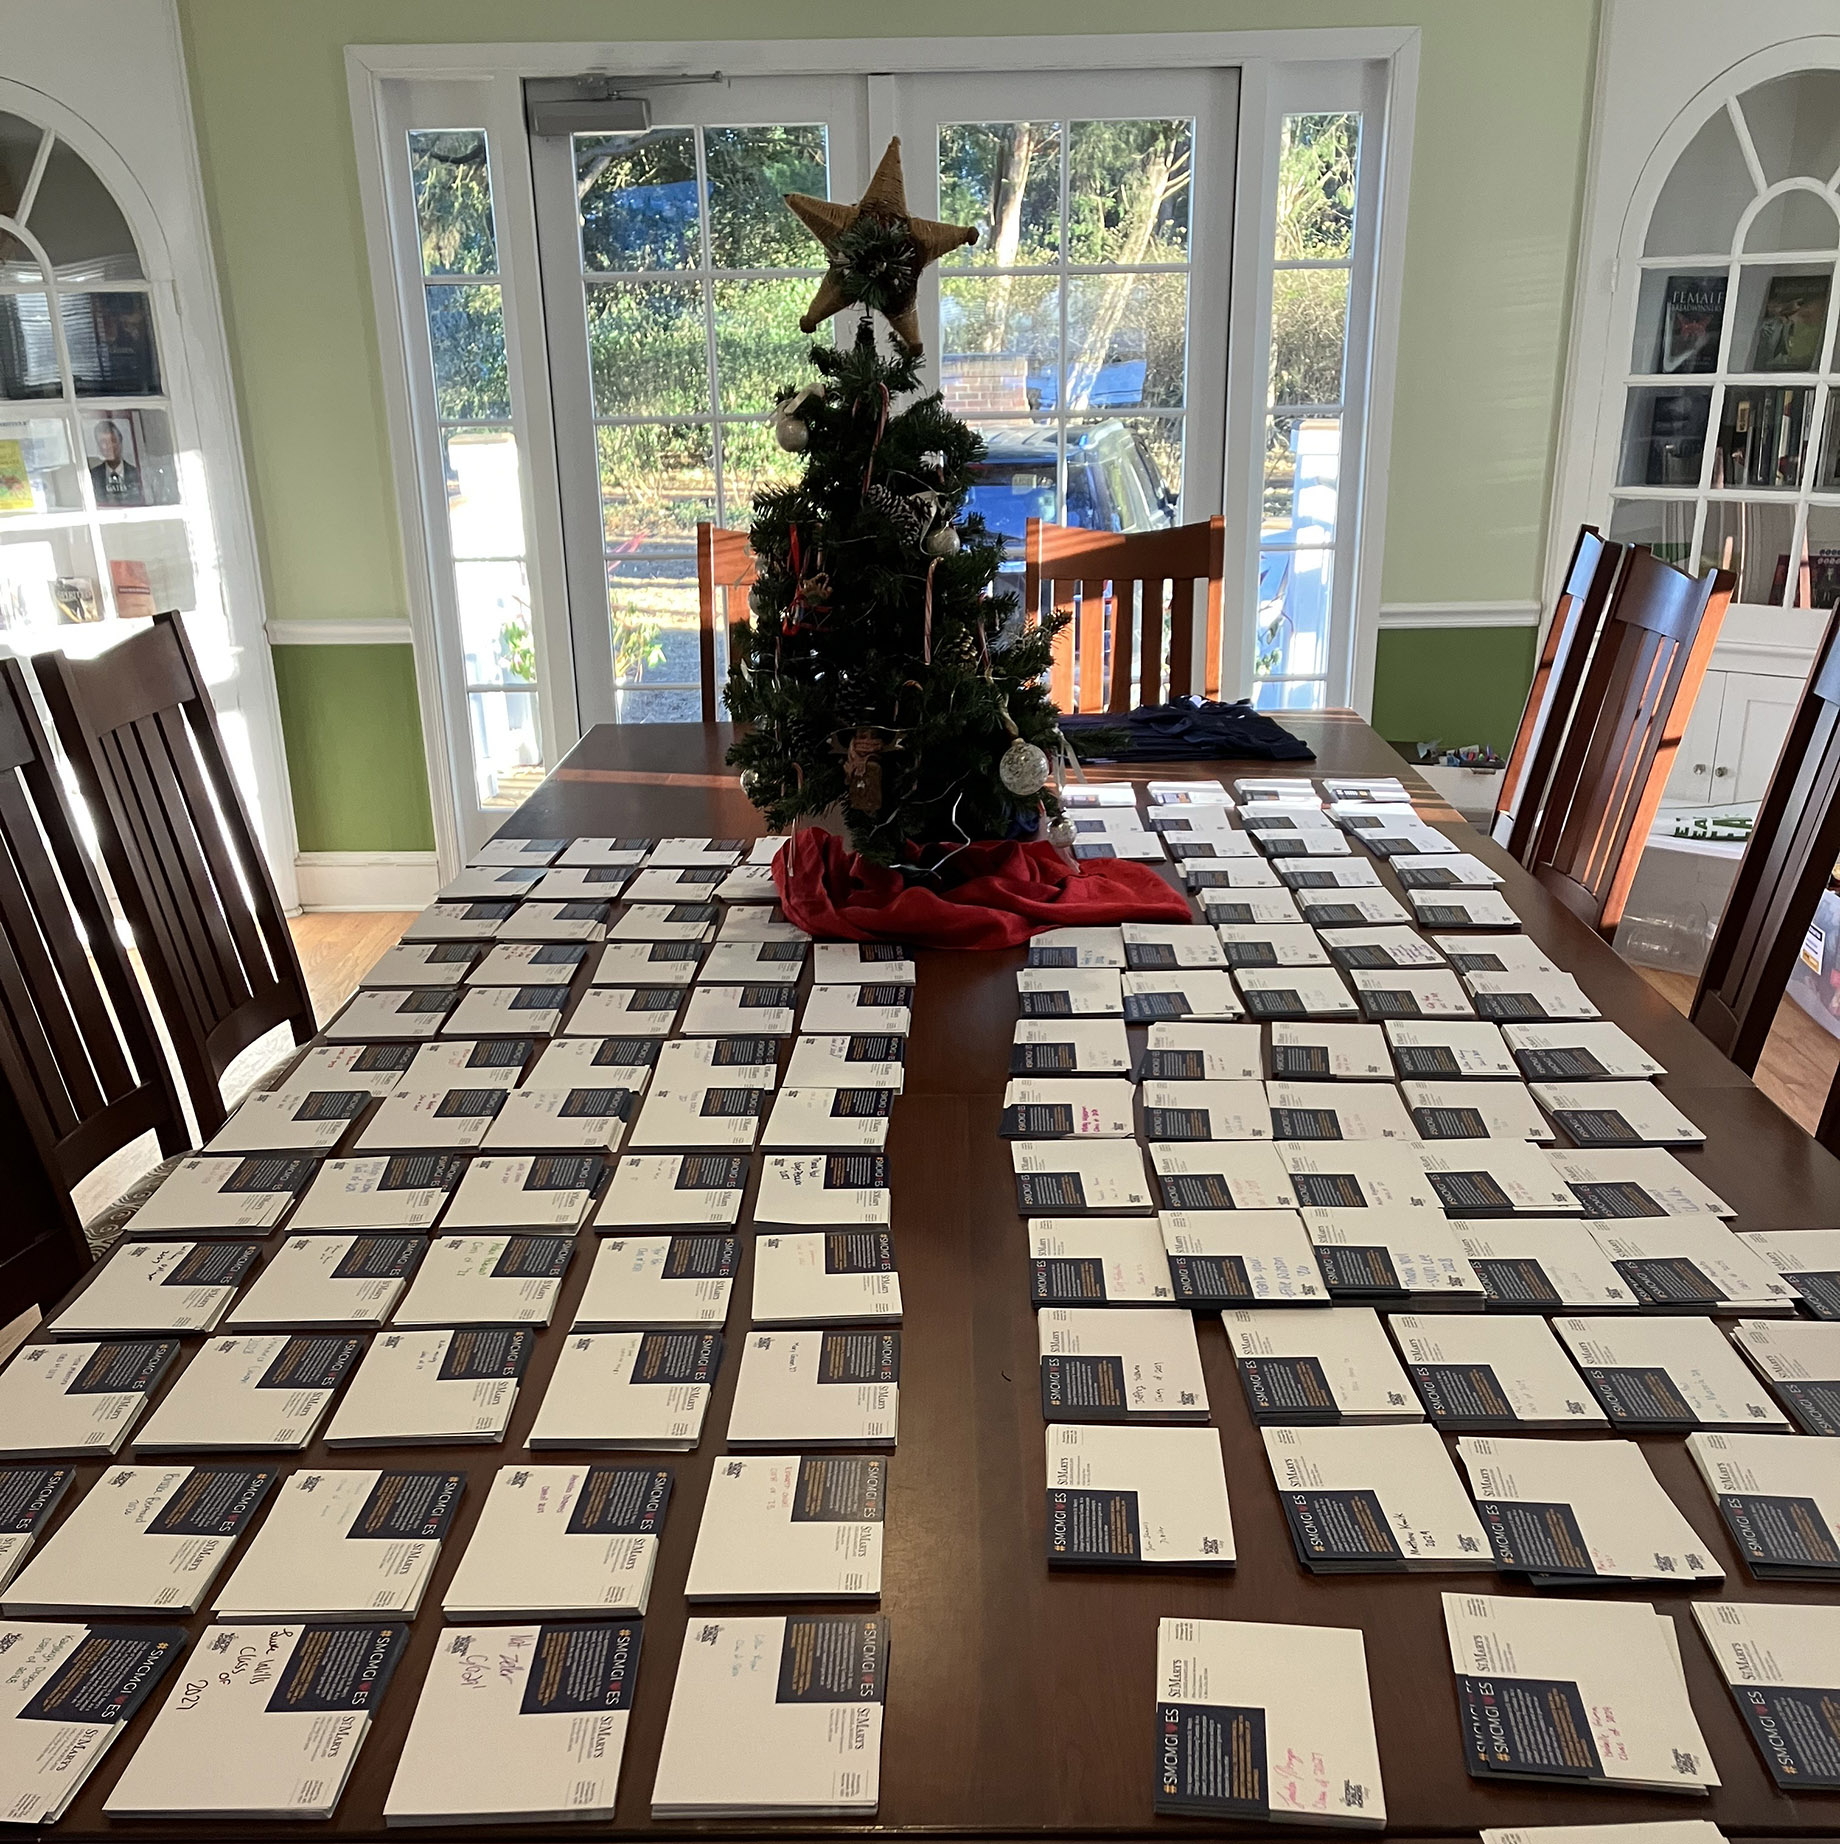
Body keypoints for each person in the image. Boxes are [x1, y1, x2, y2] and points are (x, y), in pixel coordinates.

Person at [88, 420, 143, 505]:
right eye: (103, 442)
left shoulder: (137, 474)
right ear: (98, 446)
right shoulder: (93, 476)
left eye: (113, 441)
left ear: (120, 442)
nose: (108, 446)